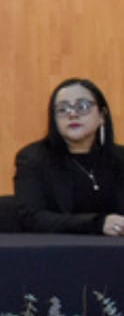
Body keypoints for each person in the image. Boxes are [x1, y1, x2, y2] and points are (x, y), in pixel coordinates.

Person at [14, 78, 124, 235]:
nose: (72, 114)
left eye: (82, 106)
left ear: (102, 115)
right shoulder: (33, 158)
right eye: (62, 109)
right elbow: (32, 218)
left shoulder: (120, 158)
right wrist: (98, 224)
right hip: (60, 252)